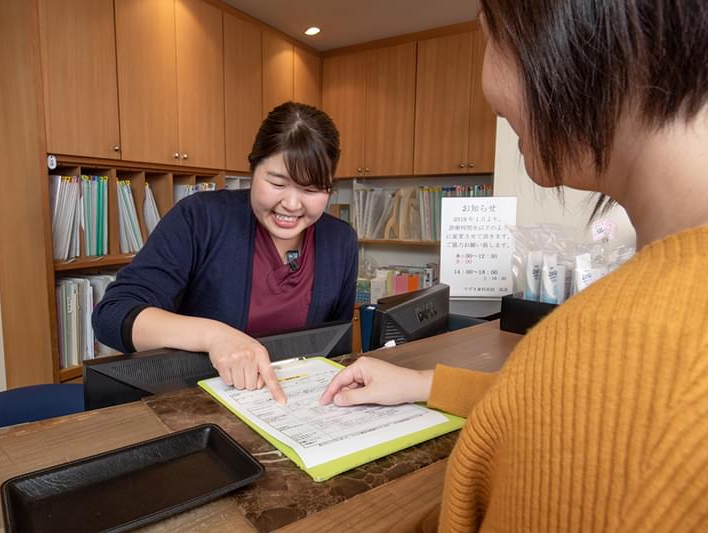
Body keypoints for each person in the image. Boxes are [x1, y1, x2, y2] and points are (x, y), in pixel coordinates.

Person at [321, 1, 708, 531]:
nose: (485, 84)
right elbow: (570, 406)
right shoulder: (615, 359)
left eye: (490, 33)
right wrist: (426, 384)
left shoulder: (616, 353)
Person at [94, 102, 358, 404]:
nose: (293, 205)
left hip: (294, 408)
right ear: (252, 169)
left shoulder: (341, 241)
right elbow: (112, 315)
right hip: (199, 405)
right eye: (277, 183)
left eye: (312, 190)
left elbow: (335, 348)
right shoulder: (201, 218)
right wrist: (214, 336)